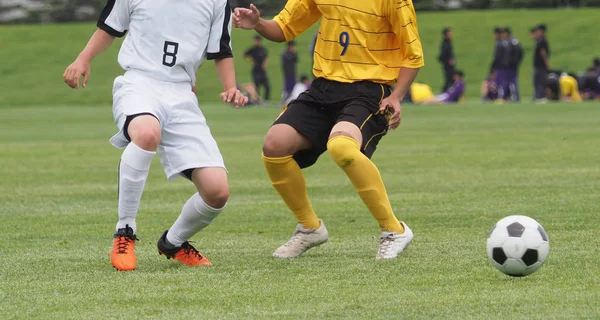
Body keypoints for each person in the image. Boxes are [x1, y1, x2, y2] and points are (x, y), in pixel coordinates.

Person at [63, 0, 247, 271]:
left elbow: (221, 50)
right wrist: (83, 58)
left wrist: (231, 87)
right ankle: (124, 232)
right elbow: (109, 27)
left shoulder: (219, 2)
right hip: (140, 83)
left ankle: (173, 242)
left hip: (183, 95)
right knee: (147, 133)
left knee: (217, 192)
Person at [232, 0, 424, 259]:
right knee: (275, 144)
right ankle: (310, 228)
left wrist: (397, 96)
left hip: (369, 90)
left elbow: (413, 55)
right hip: (323, 88)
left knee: (342, 147)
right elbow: (283, 28)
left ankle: (394, 229)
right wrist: (258, 24)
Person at [244, 35, 271, 101]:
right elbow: (244, 55)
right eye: (255, 40)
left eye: (258, 40)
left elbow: (266, 57)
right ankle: (256, 99)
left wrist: (265, 64)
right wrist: (251, 61)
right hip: (256, 70)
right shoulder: (252, 49)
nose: (257, 42)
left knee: (267, 86)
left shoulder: (263, 49)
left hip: (262, 71)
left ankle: (265, 100)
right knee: (257, 86)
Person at [533, 24, 551, 102]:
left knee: (541, 81)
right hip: (537, 64)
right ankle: (537, 95)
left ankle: (542, 96)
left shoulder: (543, 41)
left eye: (539, 31)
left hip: (541, 65)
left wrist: (546, 62)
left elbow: (543, 52)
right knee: (536, 81)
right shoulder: (539, 40)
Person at [491, 27, 510, 101]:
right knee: (502, 82)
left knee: (501, 82)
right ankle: (503, 97)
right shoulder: (503, 43)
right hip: (503, 66)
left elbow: (497, 57)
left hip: (500, 67)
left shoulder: (500, 43)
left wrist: (493, 67)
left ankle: (502, 97)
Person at [505, 27, 523, 102]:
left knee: (511, 81)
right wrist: (517, 61)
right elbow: (521, 52)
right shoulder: (515, 41)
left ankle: (514, 96)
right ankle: (514, 96)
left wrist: (512, 61)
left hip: (510, 65)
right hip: (514, 65)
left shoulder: (510, 42)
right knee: (513, 81)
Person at [438, 27, 456, 92]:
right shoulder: (445, 43)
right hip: (447, 66)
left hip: (449, 65)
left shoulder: (448, 42)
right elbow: (441, 55)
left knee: (451, 80)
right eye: (450, 33)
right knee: (449, 79)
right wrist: (449, 60)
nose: (451, 34)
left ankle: (449, 93)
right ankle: (444, 93)